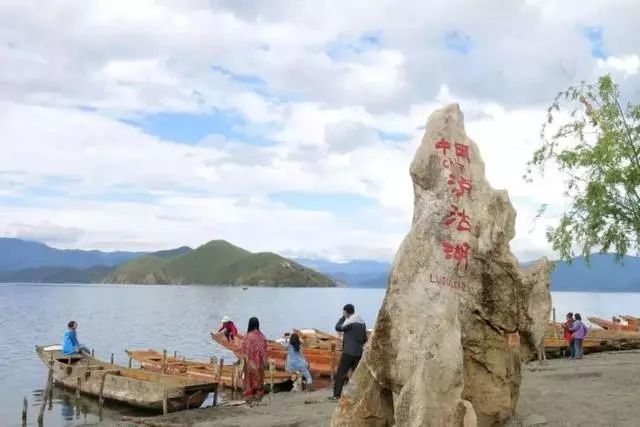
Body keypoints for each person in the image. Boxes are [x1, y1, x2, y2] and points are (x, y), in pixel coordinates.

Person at [331, 303, 367, 400]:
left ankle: (336, 395)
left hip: (348, 352)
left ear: (346, 312)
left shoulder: (349, 323)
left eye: (344, 312)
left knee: (341, 374)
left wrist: (343, 317)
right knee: (357, 375)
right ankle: (358, 396)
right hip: (358, 353)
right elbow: (365, 338)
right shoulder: (362, 323)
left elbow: (337, 327)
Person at [241, 317, 268, 402]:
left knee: (249, 377)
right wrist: (265, 362)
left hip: (251, 363)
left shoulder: (248, 336)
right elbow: (264, 351)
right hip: (260, 363)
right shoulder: (262, 336)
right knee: (259, 377)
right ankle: (259, 392)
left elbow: (244, 350)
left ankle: (250, 394)